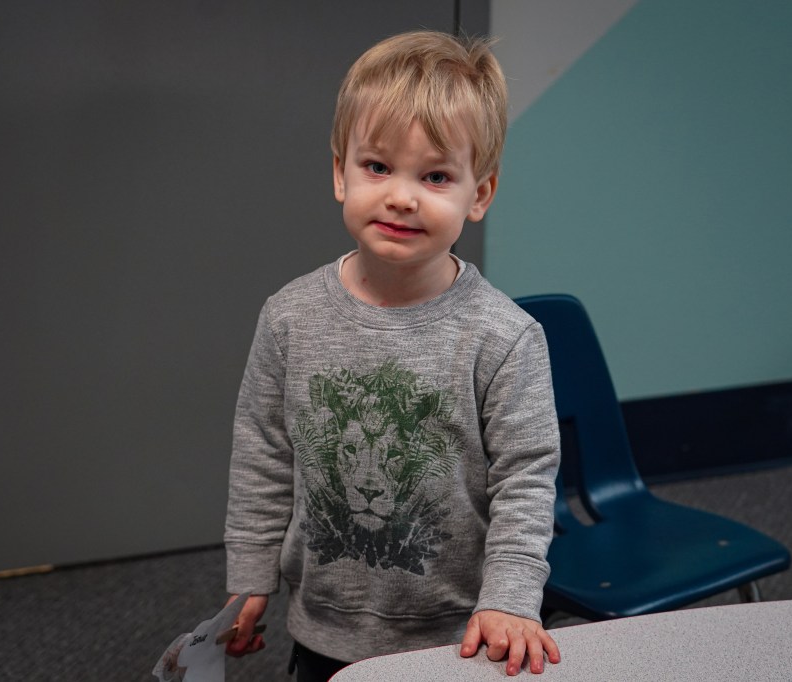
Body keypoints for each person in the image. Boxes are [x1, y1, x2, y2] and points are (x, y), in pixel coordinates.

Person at [222, 30, 561, 680]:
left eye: (435, 176)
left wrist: (511, 599)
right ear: (339, 173)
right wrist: (250, 576)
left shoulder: (505, 337)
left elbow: (526, 478)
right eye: (377, 167)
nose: (402, 196)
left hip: (460, 633)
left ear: (480, 193)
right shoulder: (288, 317)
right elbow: (263, 454)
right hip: (323, 627)